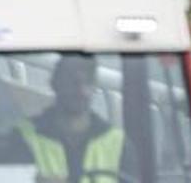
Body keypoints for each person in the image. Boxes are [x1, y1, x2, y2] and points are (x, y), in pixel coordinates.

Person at [17, 55, 124, 183]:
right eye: (73, 81)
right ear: (54, 83)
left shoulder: (118, 143)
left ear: (95, 87)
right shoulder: (23, 137)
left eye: (88, 81)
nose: (81, 90)